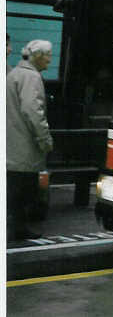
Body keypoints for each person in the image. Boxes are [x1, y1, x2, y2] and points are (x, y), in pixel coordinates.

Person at [6, 39, 54, 240]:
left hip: (11, 141)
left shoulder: (14, 73)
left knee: (13, 187)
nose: (50, 61)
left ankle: (17, 226)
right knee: (22, 190)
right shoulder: (31, 77)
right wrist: (45, 140)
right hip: (24, 144)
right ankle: (18, 229)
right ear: (38, 56)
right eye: (48, 56)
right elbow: (33, 112)